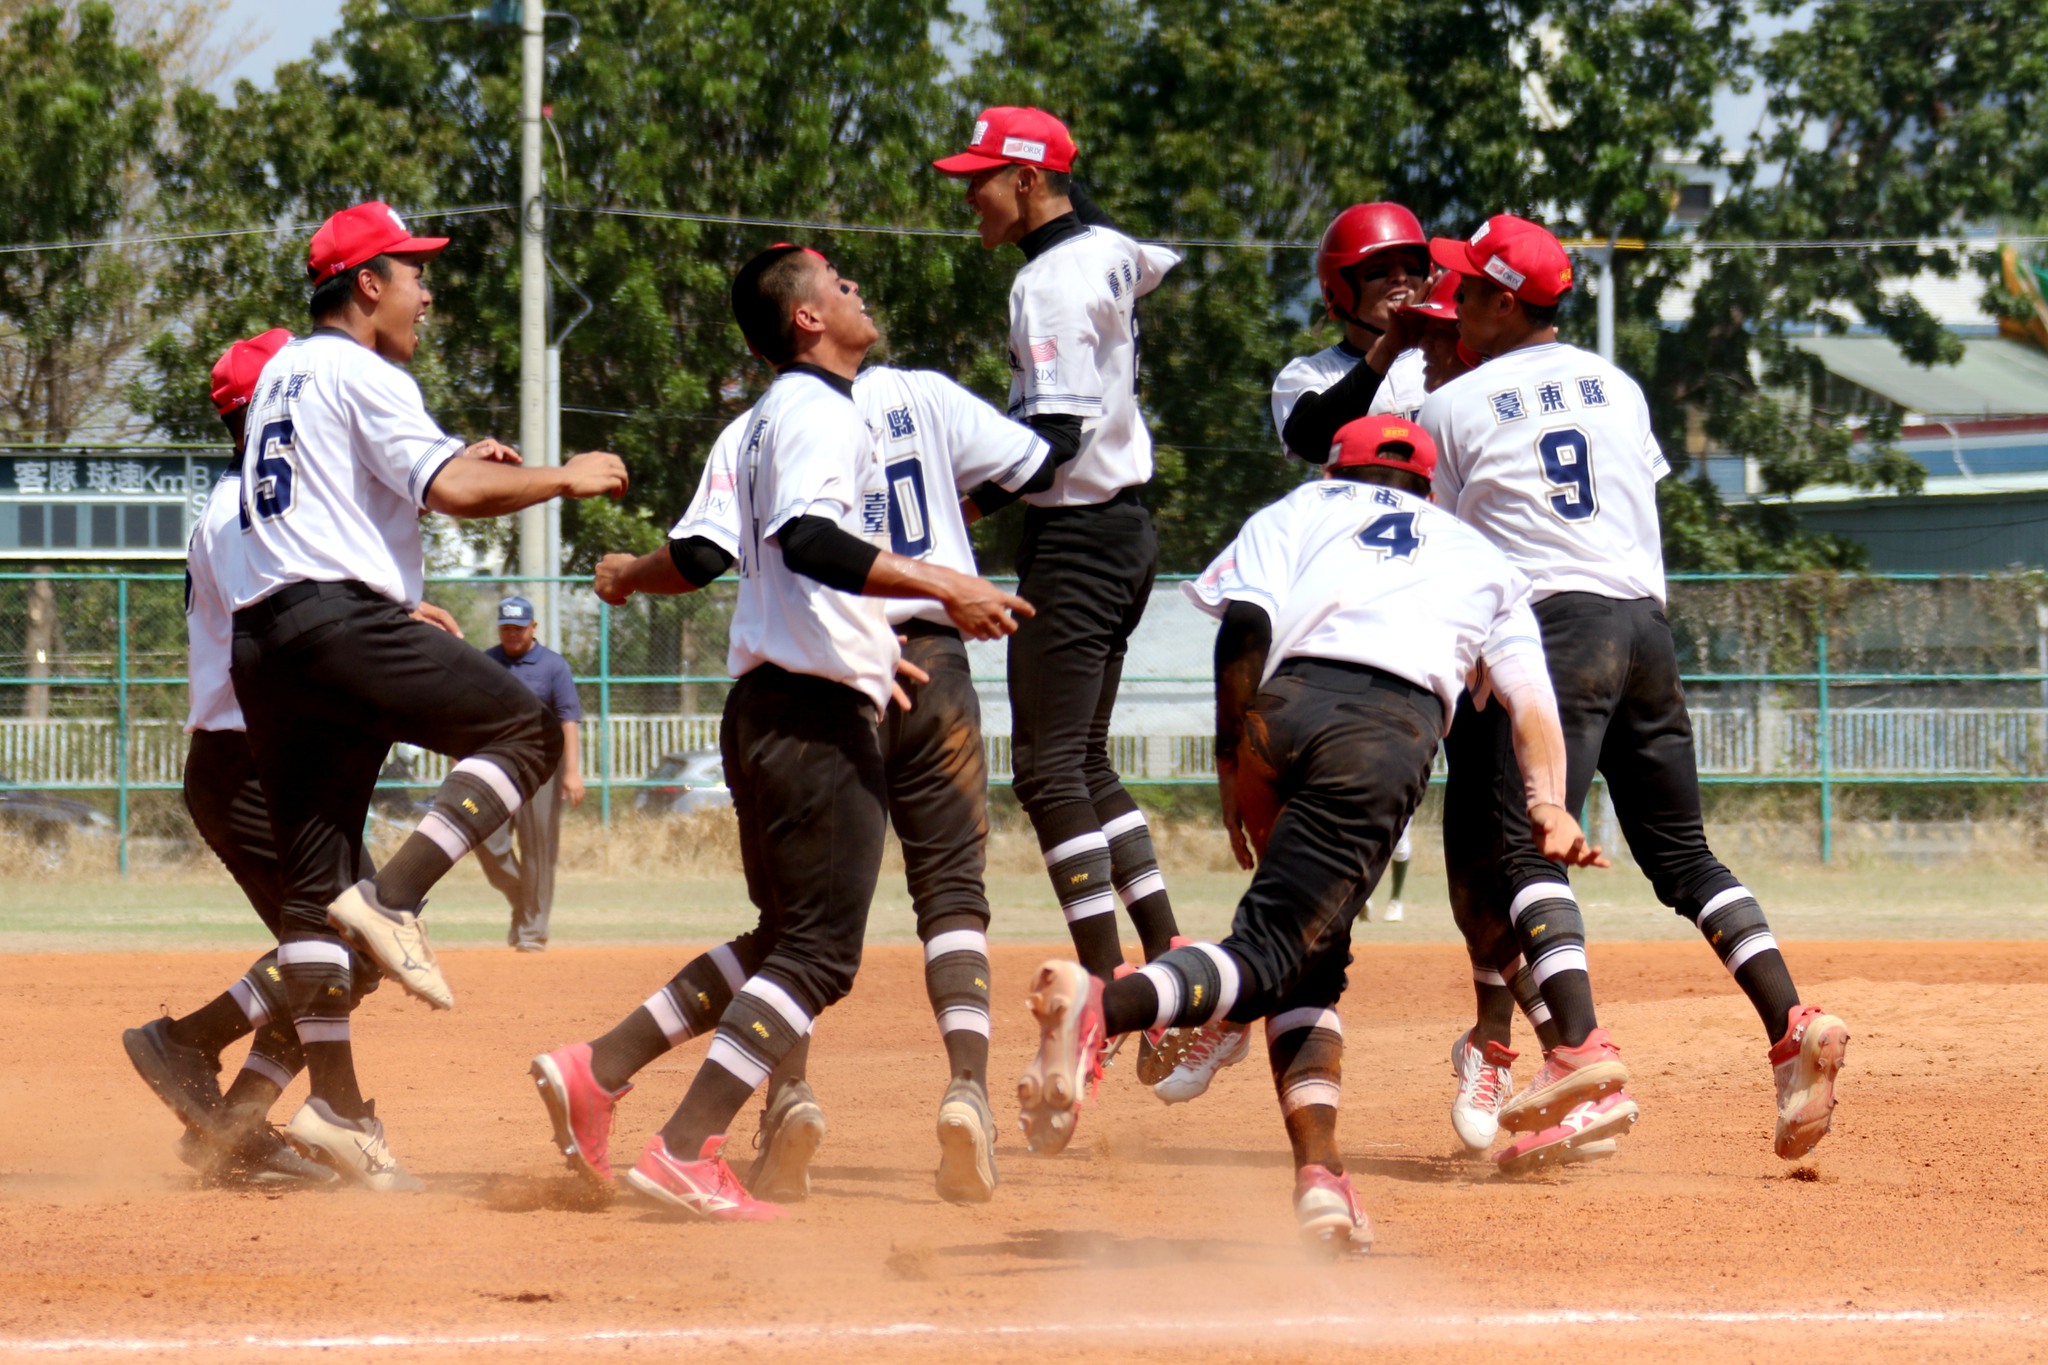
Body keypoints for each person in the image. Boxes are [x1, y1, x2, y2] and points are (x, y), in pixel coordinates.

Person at [1014, 416, 1609, 1247]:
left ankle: (1322, 1180)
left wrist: (1233, 761)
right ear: (1430, 490)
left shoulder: (1300, 507)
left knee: (1311, 959)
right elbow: (1530, 702)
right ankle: (1105, 1003)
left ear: (1337, 467)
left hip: (1279, 714)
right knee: (1271, 954)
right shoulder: (1481, 556)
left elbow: (1243, 629)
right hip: (1382, 734)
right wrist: (1548, 801)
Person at [531, 244, 1029, 1223]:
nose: (852, 288)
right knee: (819, 957)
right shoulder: (815, 412)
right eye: (835, 283)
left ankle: (603, 1068)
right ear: (805, 319)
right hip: (806, 716)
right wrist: (944, 581)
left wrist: (864, 647)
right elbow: (810, 539)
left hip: (769, 703)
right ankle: (685, 1146)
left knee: (780, 939)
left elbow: (726, 554)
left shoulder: (757, 426)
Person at [1417, 213, 1849, 1167]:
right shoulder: (1617, 383)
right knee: (1685, 856)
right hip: (1644, 629)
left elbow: (1441, 543)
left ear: (1499, 298)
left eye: (1467, 292)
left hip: (1549, 631)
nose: (1455, 312)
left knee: (1528, 848)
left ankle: (1576, 1046)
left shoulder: (1451, 406)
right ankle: (1791, 1023)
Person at [225, 201, 628, 1188]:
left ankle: (335, 1104)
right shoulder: (363, 367)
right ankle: (396, 901)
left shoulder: (286, 372)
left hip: (265, 642)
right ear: (367, 284)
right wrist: (560, 479)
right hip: (339, 622)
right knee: (527, 728)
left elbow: (383, 478)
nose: (427, 291)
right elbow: (447, 491)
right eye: (414, 273)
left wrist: (462, 457)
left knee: (315, 903)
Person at [122, 327, 465, 1186]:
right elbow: (283, 629)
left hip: (265, 758)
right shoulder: (246, 510)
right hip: (247, 761)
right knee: (340, 946)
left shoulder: (259, 504)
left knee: (345, 956)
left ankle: (229, 1125)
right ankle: (188, 1041)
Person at [933, 111, 1192, 1081]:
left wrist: (967, 500)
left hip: (1080, 537)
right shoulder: (1109, 252)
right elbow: (1153, 258)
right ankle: (1169, 963)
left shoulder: (1046, 280)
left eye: (982, 179)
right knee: (1080, 757)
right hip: (1124, 534)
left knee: (1045, 772)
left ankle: (1104, 990)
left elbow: (1057, 435)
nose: (970, 197)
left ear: (1031, 182)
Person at [1270, 203, 1433, 465]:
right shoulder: (1309, 373)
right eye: (1378, 271)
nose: (1400, 278)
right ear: (1339, 287)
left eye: (1412, 267)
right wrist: (1387, 349)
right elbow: (1312, 443)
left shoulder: (1450, 358)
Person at [474, 595, 586, 952]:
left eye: (519, 628)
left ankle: (532, 932)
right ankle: (524, 899)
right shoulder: (486, 663)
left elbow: (568, 720)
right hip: (496, 763)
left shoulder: (554, 666)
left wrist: (572, 772)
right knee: (484, 838)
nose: (512, 634)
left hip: (541, 768)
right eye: (506, 627)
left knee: (538, 849)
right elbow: (470, 715)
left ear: (533, 627)